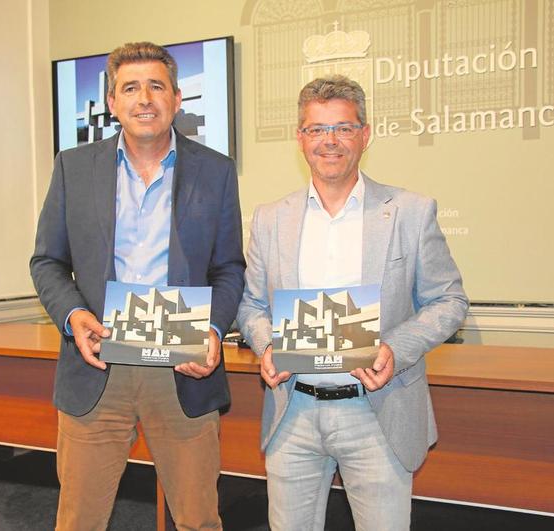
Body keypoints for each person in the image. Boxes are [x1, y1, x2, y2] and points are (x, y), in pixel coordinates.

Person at [236, 74, 468, 530]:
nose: (330, 141)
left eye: (343, 128)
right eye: (317, 129)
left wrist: (393, 350)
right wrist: (266, 346)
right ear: (300, 139)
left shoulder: (410, 211)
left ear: (365, 134)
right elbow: (251, 305)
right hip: (293, 409)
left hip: (377, 411)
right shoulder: (269, 218)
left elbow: (449, 300)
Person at [30, 41, 245, 531]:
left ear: (177, 98)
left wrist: (211, 330)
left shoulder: (215, 171)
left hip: (183, 366)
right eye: (130, 87)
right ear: (112, 102)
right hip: (99, 363)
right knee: (79, 519)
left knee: (198, 519)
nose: (144, 98)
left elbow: (229, 268)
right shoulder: (74, 167)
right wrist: (72, 316)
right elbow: (47, 260)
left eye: (156, 86)